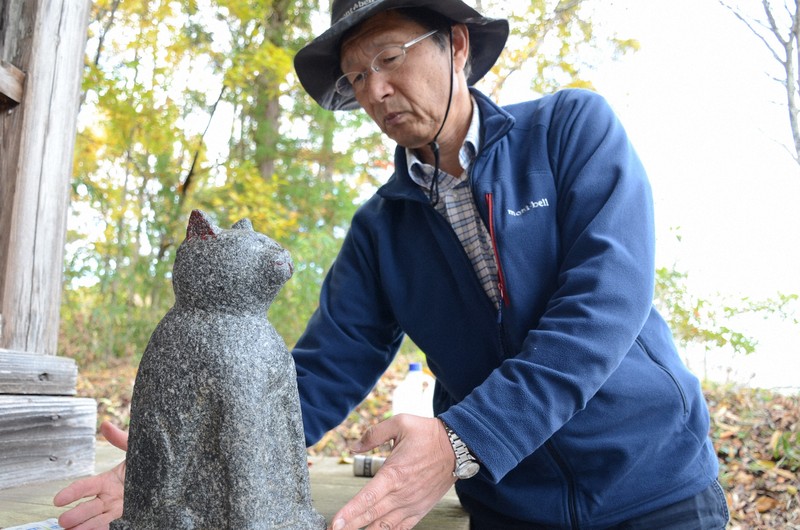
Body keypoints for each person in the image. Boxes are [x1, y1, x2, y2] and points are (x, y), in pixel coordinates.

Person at [54, 0, 731, 528]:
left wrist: (462, 441)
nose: (374, 91)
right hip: (513, 511)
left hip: (657, 489)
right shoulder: (381, 228)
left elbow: (602, 309)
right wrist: (174, 467)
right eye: (355, 77)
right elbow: (317, 375)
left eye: (389, 58)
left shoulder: (570, 131)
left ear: (457, 45)